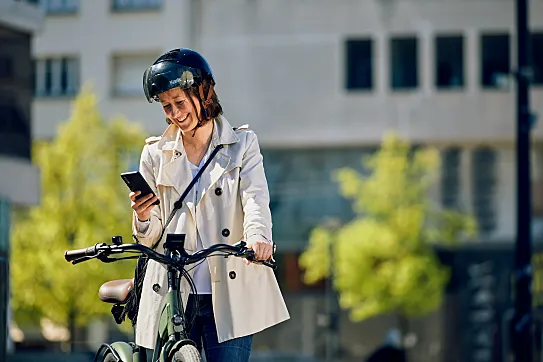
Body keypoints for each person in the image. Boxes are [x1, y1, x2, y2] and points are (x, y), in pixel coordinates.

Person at [129, 48, 290, 361]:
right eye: (166, 106)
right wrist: (144, 216)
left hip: (229, 292)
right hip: (173, 291)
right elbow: (149, 237)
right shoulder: (154, 153)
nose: (174, 113)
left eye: (179, 102)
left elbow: (255, 197)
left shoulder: (241, 145)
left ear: (203, 92)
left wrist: (258, 237)